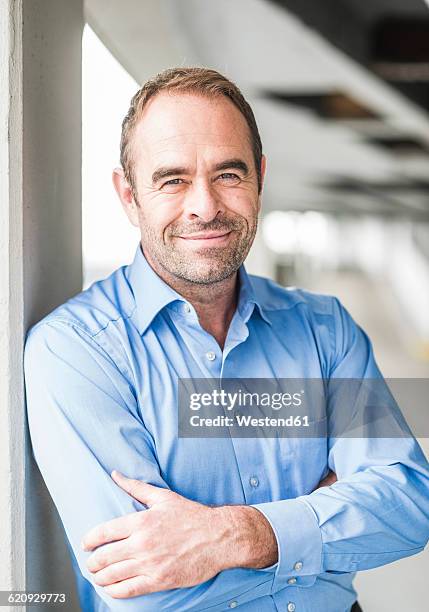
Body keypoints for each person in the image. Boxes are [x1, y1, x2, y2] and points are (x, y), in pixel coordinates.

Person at [24, 67, 429, 612]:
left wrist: (236, 534)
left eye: (229, 174)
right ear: (128, 195)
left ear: (260, 177)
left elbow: (407, 505)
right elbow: (142, 590)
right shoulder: (77, 351)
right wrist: (319, 517)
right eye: (172, 180)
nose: (205, 206)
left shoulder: (325, 330)